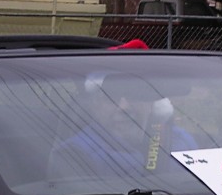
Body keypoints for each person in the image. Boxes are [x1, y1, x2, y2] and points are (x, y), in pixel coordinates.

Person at [48, 70, 198, 179]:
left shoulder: (181, 142)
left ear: (152, 104)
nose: (123, 107)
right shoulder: (74, 153)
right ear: (94, 105)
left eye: (133, 96)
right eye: (111, 97)